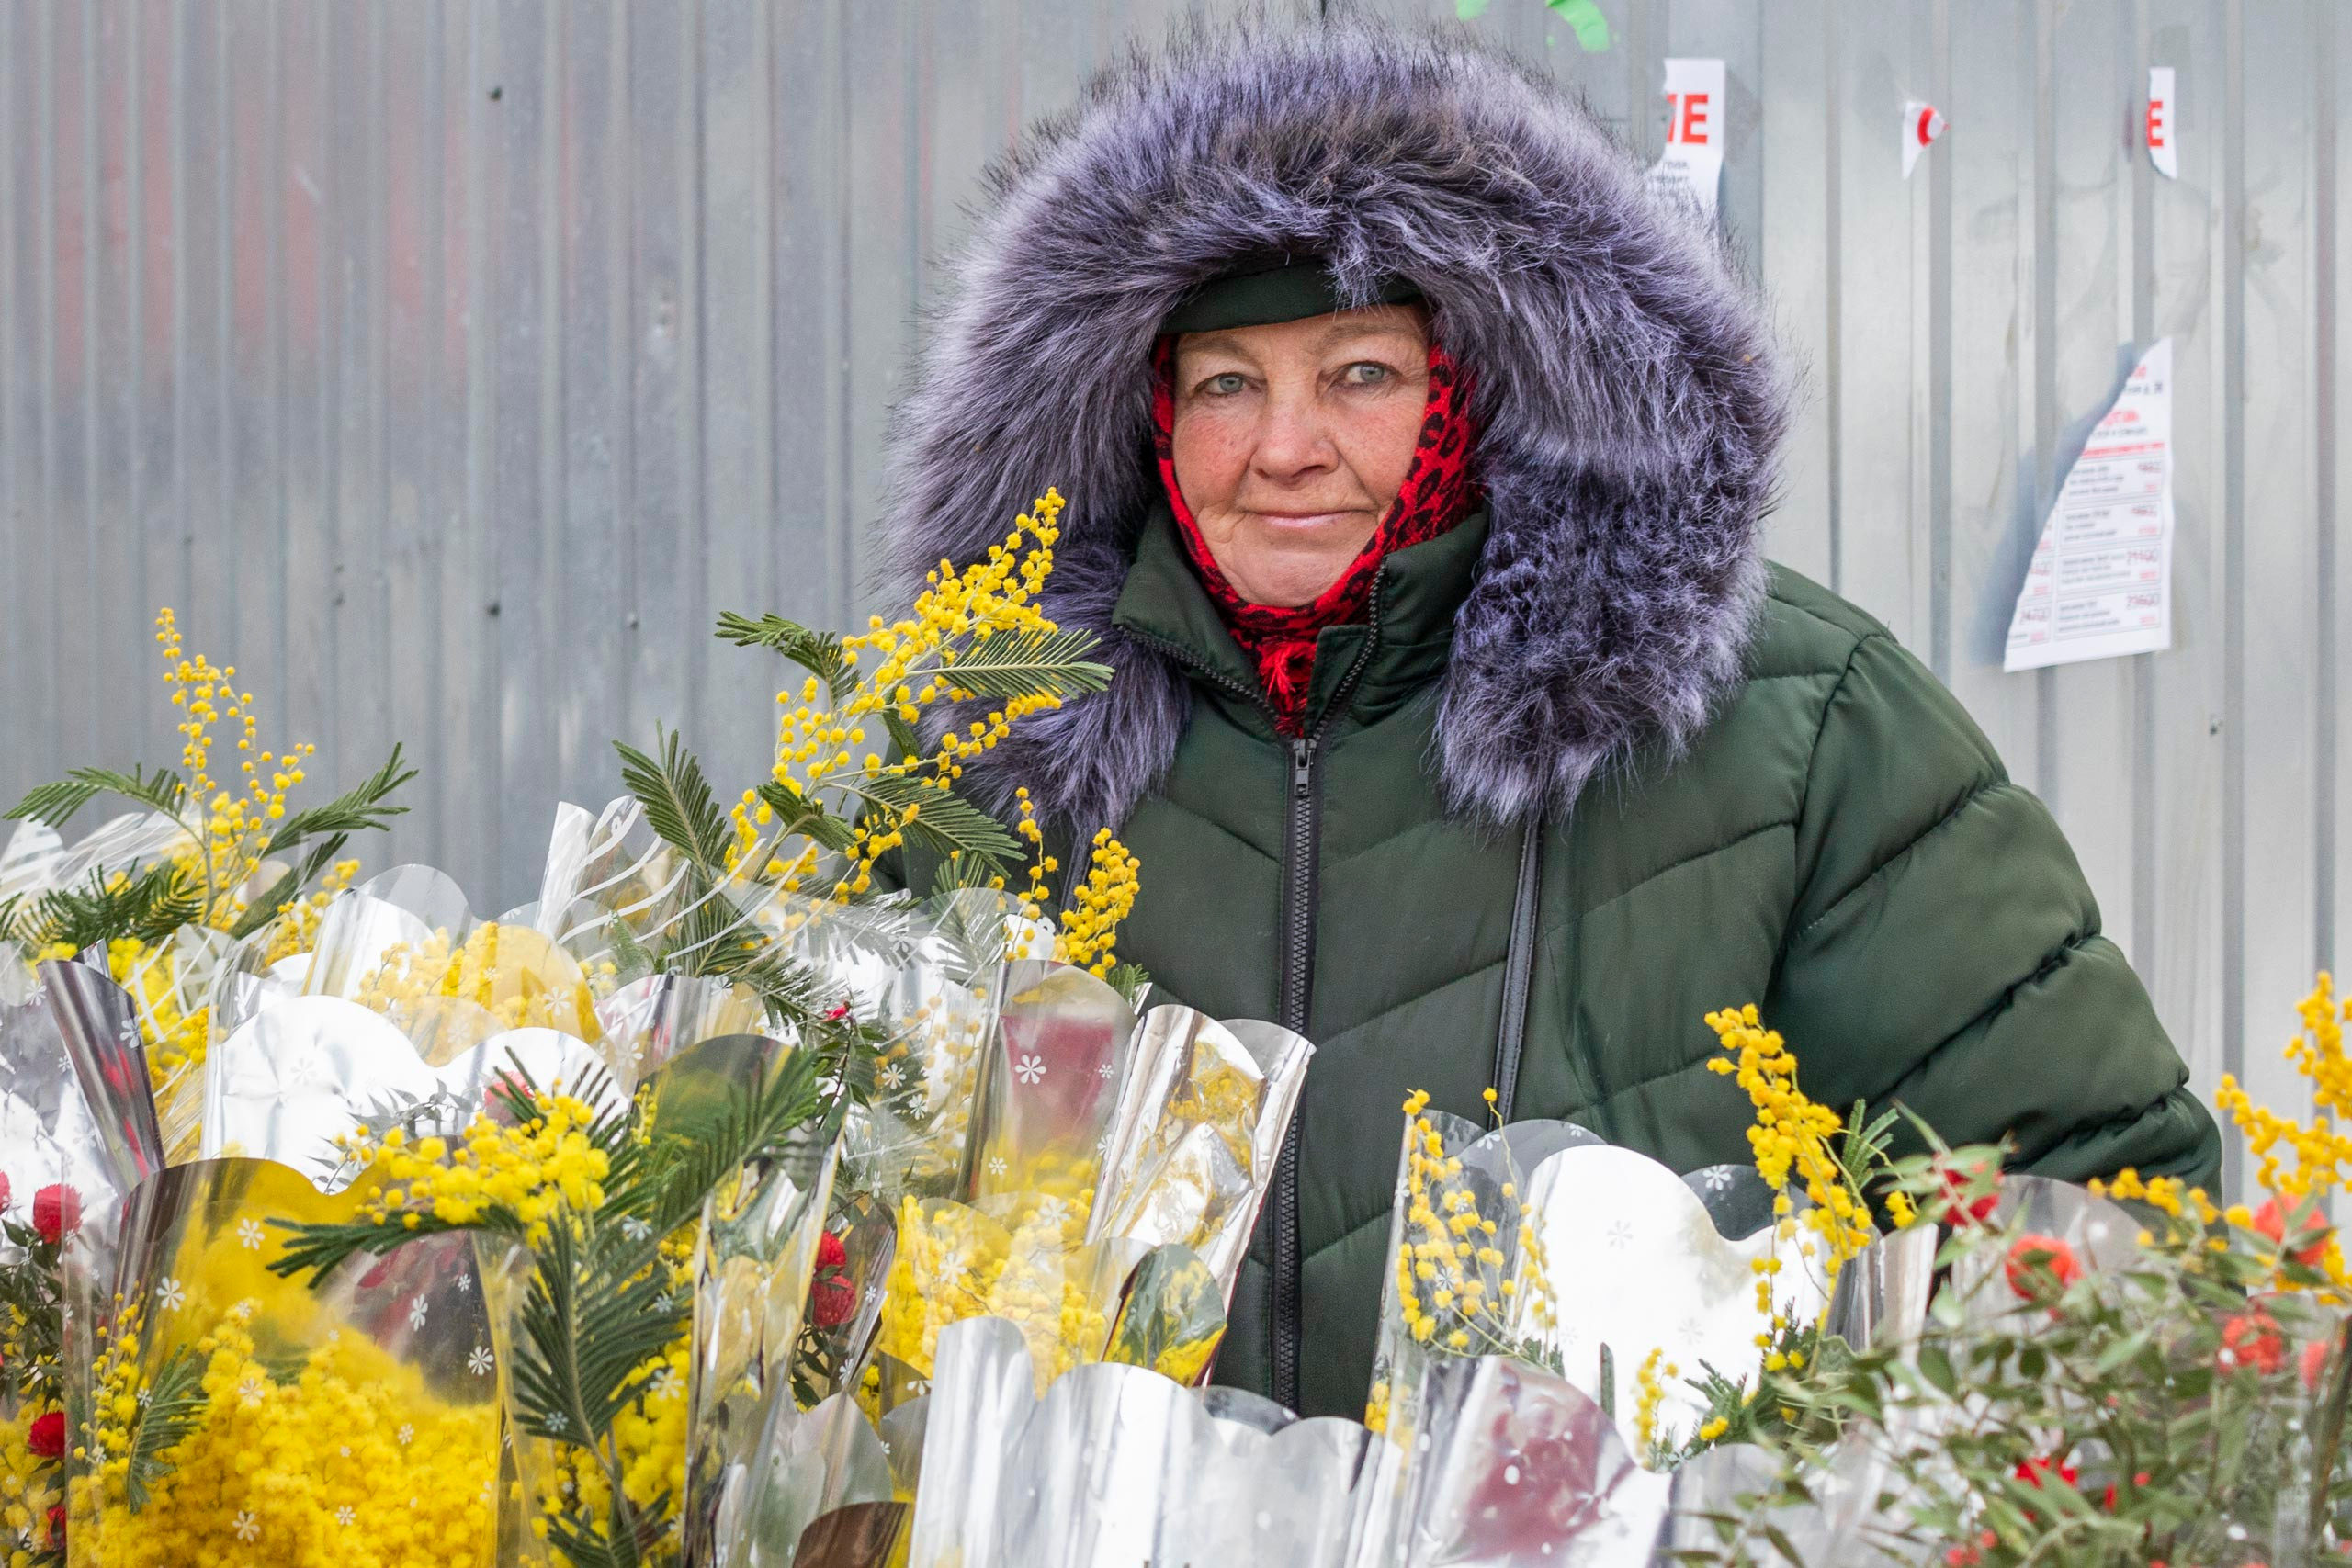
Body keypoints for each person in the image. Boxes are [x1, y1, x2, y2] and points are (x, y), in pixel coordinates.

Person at [876, 18, 2222, 1418]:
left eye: (1360, 374)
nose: (1282, 449)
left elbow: (2096, 1215)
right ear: (1145, 416)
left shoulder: (1792, 729)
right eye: (1227, 385)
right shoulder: (1001, 745)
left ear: (1474, 392)